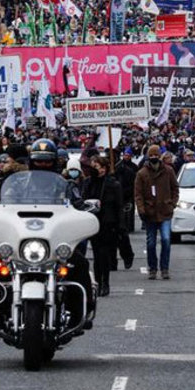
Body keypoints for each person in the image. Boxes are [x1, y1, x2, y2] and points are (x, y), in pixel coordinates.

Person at [29, 139, 94, 324]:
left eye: (46, 161)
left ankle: (82, 308)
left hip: (56, 241)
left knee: (79, 264)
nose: (42, 164)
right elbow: (3, 202)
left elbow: (79, 205)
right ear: (32, 161)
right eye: (38, 160)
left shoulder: (65, 185)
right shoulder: (22, 184)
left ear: (55, 161)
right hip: (25, 240)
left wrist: (82, 211)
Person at [134, 144, 179, 280]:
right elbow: (138, 194)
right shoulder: (142, 173)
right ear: (148, 157)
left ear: (159, 156)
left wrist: (172, 203)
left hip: (165, 210)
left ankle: (164, 268)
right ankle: (152, 268)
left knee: (166, 239)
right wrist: (141, 210)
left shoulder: (168, 171)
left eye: (155, 155)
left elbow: (175, 188)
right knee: (151, 242)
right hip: (150, 212)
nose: (153, 158)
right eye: (151, 155)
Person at [82, 157, 123, 297]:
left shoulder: (113, 184)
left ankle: (105, 282)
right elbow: (83, 200)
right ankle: (98, 282)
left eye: (99, 166)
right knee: (96, 254)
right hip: (93, 222)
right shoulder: (88, 182)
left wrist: (120, 226)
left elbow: (118, 206)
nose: (97, 169)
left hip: (108, 223)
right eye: (94, 166)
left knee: (104, 254)